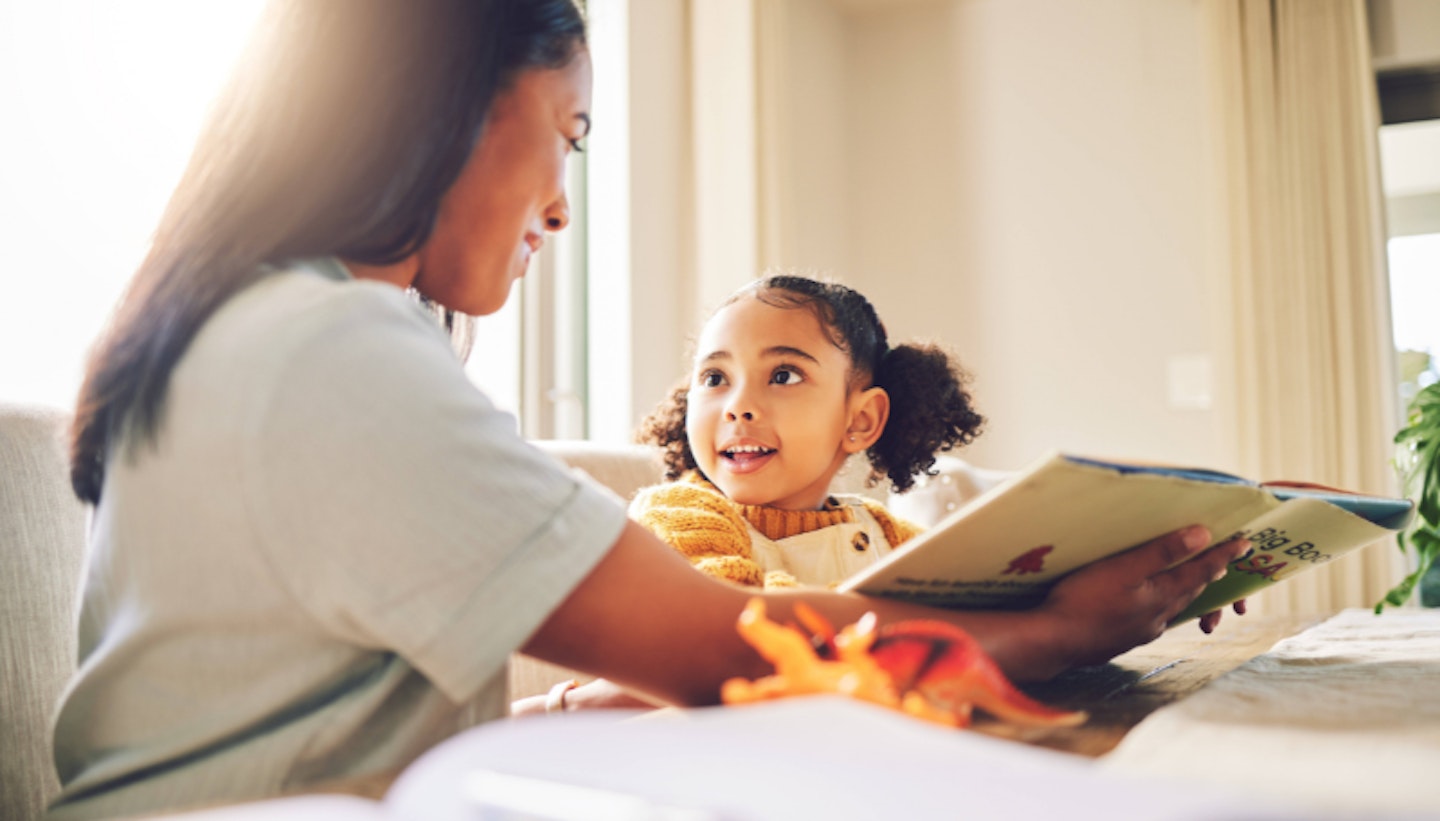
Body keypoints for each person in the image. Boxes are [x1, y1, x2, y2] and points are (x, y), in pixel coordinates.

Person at [51, 1, 1246, 818]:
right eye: (568, 135)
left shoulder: (260, 323)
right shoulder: (326, 350)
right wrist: (1066, 625)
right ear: (443, 108)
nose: (561, 208)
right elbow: (732, 648)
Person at [630, 274, 983, 590]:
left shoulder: (887, 534)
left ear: (860, 420)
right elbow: (737, 615)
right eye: (715, 378)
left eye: (783, 376)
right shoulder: (677, 514)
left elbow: (963, 598)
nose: (738, 406)